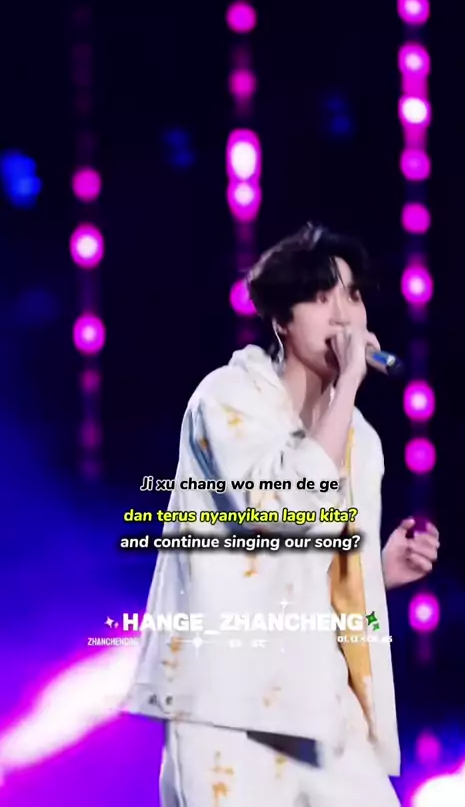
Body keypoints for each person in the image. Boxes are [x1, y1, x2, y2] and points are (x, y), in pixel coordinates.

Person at [125, 222, 439, 806]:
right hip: (224, 700)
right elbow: (276, 513)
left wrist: (376, 572)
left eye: (353, 296)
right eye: (321, 298)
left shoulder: (361, 442)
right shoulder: (226, 399)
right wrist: (349, 384)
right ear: (281, 320)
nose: (344, 316)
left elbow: (316, 576)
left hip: (319, 698)